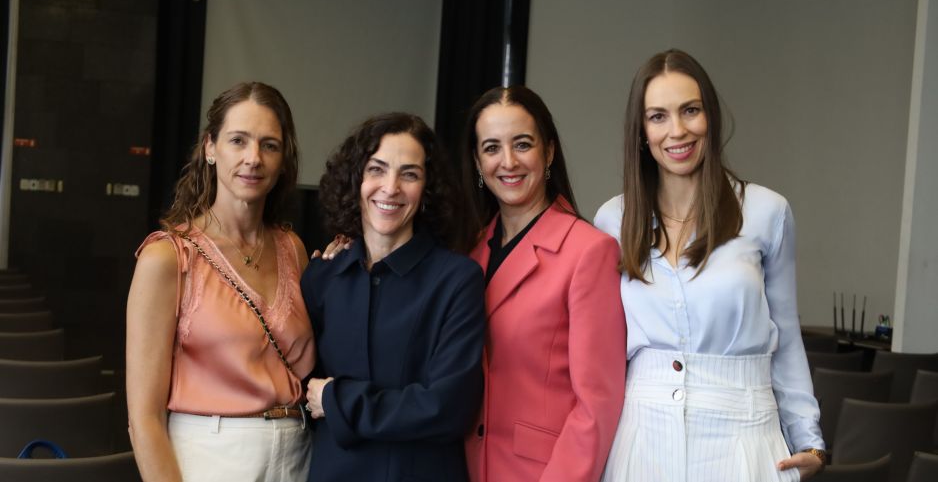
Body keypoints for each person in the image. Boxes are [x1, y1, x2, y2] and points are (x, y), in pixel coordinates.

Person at [594, 49, 825, 481]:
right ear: (641, 131)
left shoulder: (767, 212)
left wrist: (808, 438)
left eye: (690, 111)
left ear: (710, 117)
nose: (677, 130)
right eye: (658, 116)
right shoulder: (612, 220)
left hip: (744, 431)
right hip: (642, 434)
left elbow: (787, 334)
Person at [126, 82, 315, 481]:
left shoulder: (292, 249)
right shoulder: (168, 257)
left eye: (269, 145)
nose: (253, 158)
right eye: (238, 140)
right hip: (210, 455)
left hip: (297, 453)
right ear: (210, 148)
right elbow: (144, 418)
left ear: (283, 160)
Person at [301, 113, 486, 481]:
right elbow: (302, 393)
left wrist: (340, 401)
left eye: (410, 174)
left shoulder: (457, 280)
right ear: (356, 179)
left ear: (427, 188)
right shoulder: (322, 278)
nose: (391, 187)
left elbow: (449, 408)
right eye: (377, 169)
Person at [460, 86, 627, 482]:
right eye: (491, 148)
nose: (508, 162)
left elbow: (597, 404)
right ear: (477, 161)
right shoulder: (468, 251)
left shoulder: (589, 251)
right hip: (466, 466)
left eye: (522, 144)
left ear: (548, 152)